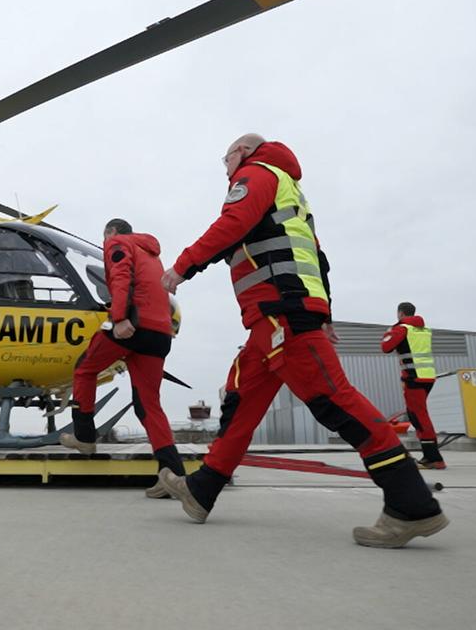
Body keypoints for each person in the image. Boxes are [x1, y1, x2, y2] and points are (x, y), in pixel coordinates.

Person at [158, 133, 448, 548]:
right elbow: (318, 259)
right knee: (241, 399)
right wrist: (326, 313)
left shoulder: (255, 174)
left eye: (225, 158)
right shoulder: (290, 193)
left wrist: (182, 267)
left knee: (334, 400)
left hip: (281, 312)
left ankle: (412, 504)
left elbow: (233, 224)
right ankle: (202, 489)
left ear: (241, 152)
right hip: (271, 318)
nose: (225, 167)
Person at [60, 218, 186, 497]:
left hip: (132, 325)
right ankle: (173, 475)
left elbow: (120, 277)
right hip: (160, 333)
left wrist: (118, 318)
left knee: (84, 369)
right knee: (148, 405)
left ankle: (84, 437)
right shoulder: (151, 253)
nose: (105, 243)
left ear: (112, 232)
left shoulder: (117, 243)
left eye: (104, 237)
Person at [381, 302, 445, 469]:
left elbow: (386, 347)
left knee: (419, 416)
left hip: (413, 378)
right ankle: (431, 456)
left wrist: (390, 331)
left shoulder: (402, 329)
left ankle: (433, 458)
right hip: (427, 377)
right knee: (417, 414)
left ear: (400, 313)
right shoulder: (424, 331)